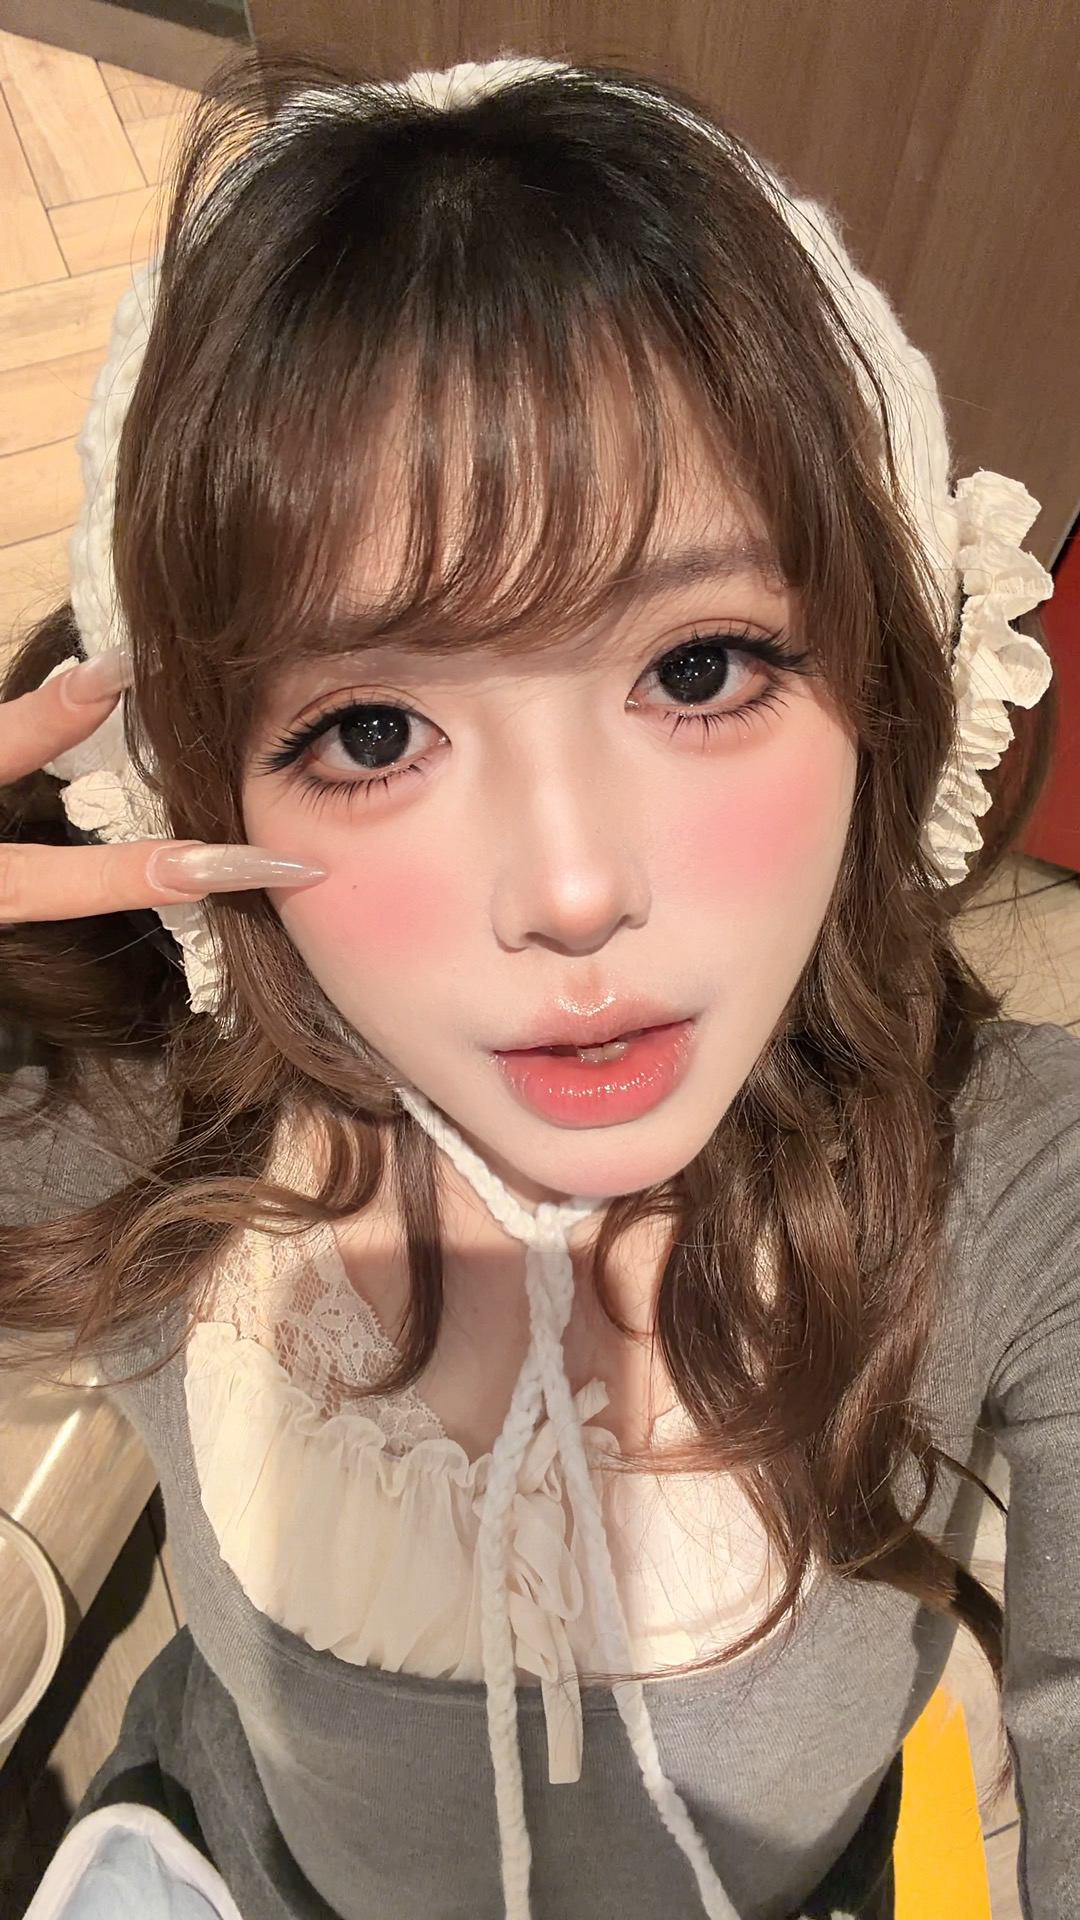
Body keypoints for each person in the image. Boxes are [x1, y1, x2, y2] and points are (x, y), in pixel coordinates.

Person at [0, 47, 1076, 1920]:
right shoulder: (128, 1113)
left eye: (701, 669)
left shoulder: (1012, 1186)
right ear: (190, 787)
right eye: (372, 729)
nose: (575, 891)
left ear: (898, 668)